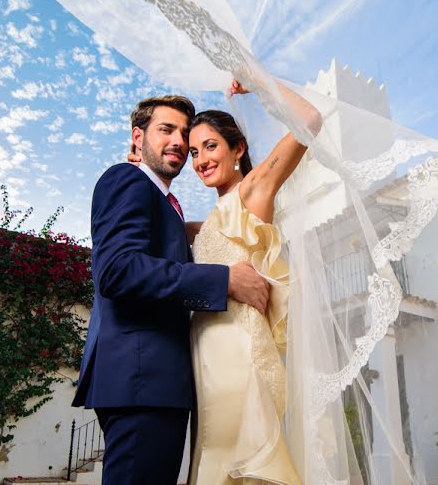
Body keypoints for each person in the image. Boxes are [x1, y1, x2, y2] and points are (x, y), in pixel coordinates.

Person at [74, 95, 273, 485]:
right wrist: (224, 279)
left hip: (159, 381)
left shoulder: (166, 205)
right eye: (166, 130)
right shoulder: (127, 179)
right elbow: (117, 270)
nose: (180, 141)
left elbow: (175, 243)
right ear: (138, 137)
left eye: (185, 133)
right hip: (142, 378)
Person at [129, 80, 320, 485]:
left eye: (210, 146)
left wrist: (256, 81)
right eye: (194, 152)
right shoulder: (209, 221)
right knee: (214, 459)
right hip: (206, 358)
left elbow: (309, 121)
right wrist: (140, 169)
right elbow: (163, 226)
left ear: (238, 149)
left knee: (238, 463)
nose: (199, 160)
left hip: (239, 353)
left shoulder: (254, 190)